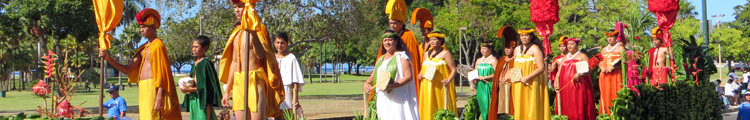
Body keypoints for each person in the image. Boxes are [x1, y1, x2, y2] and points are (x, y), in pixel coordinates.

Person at [99, 8, 182, 120]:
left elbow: (162, 74)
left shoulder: (158, 46)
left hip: (153, 87)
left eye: (144, 27)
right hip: (142, 87)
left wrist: (159, 97)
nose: (141, 30)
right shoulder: (142, 48)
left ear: (152, 27)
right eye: (140, 27)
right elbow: (128, 69)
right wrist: (108, 58)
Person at [218, 0, 285, 119]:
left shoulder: (260, 29)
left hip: (255, 79)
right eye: (235, 7)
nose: (237, 10)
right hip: (239, 80)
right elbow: (234, 62)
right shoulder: (236, 33)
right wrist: (227, 90)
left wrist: (253, 33)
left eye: (240, 7)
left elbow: (260, 55)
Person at [363, 30, 420, 120]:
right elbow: (373, 76)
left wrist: (392, 86)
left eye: (390, 40)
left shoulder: (402, 57)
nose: (387, 42)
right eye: (385, 40)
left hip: (399, 95)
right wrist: (366, 84)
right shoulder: (381, 59)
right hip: (383, 96)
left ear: (396, 41)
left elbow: (408, 77)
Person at [502, 28, 551, 120]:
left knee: (531, 105)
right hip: (518, 82)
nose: (524, 37)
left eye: (526, 35)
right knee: (520, 104)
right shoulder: (516, 49)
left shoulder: (535, 49)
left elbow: (541, 68)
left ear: (531, 36)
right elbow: (514, 65)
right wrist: (508, 75)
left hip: (532, 82)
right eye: (522, 35)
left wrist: (527, 77)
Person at [382, 0, 422, 95]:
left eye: (395, 23)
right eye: (390, 23)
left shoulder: (409, 35)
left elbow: (414, 58)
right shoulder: (388, 36)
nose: (392, 25)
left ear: (401, 23)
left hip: (404, 70)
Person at [179, 36, 223, 120]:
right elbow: (194, 81)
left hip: (202, 100)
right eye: (193, 47)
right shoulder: (195, 63)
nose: (193, 49)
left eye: (196, 46)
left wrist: (189, 89)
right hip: (193, 98)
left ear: (205, 47)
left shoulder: (206, 63)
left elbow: (208, 88)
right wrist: (185, 84)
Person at [417, 31, 458, 120]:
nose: (432, 41)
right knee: (428, 104)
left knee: (440, 104)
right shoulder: (426, 54)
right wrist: (419, 75)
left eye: (434, 39)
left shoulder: (445, 53)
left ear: (441, 41)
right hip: (426, 85)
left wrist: (448, 80)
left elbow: (454, 69)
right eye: (430, 39)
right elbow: (423, 69)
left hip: (439, 85)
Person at [554, 38, 596, 120]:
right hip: (565, 85)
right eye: (568, 44)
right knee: (566, 103)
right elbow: (560, 70)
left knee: (577, 104)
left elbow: (589, 70)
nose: (569, 46)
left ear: (577, 45)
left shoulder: (582, 56)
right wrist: (556, 81)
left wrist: (580, 74)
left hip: (578, 85)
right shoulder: (565, 57)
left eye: (572, 44)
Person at [273, 31, 306, 119]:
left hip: (287, 90)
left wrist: (295, 99)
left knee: (287, 115)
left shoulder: (291, 58)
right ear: (274, 43)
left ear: (287, 44)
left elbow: (295, 80)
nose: (280, 45)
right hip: (275, 92)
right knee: (276, 115)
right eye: (278, 43)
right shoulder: (272, 58)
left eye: (282, 43)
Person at [488, 26, 518, 120]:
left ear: (513, 48)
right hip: (500, 89)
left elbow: (517, 76)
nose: (507, 50)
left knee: (511, 109)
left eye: (509, 48)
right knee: (499, 109)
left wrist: (509, 77)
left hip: (510, 89)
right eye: (505, 48)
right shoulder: (501, 60)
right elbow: (496, 75)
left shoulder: (516, 60)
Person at [598, 30, 626, 114]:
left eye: (611, 37)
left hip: (616, 75)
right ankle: (605, 113)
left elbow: (625, 64)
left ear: (616, 37)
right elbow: (599, 61)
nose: (609, 39)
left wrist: (614, 67)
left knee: (615, 93)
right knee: (605, 93)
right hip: (604, 75)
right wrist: (601, 66)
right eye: (608, 37)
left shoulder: (620, 48)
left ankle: (616, 114)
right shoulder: (603, 49)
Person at [471, 41, 497, 120]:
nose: (482, 50)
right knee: (482, 103)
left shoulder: (493, 60)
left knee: (488, 104)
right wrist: (473, 78)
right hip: (480, 85)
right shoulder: (478, 60)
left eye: (484, 48)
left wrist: (485, 77)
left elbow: (497, 74)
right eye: (481, 49)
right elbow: (475, 72)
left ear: (490, 49)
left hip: (489, 84)